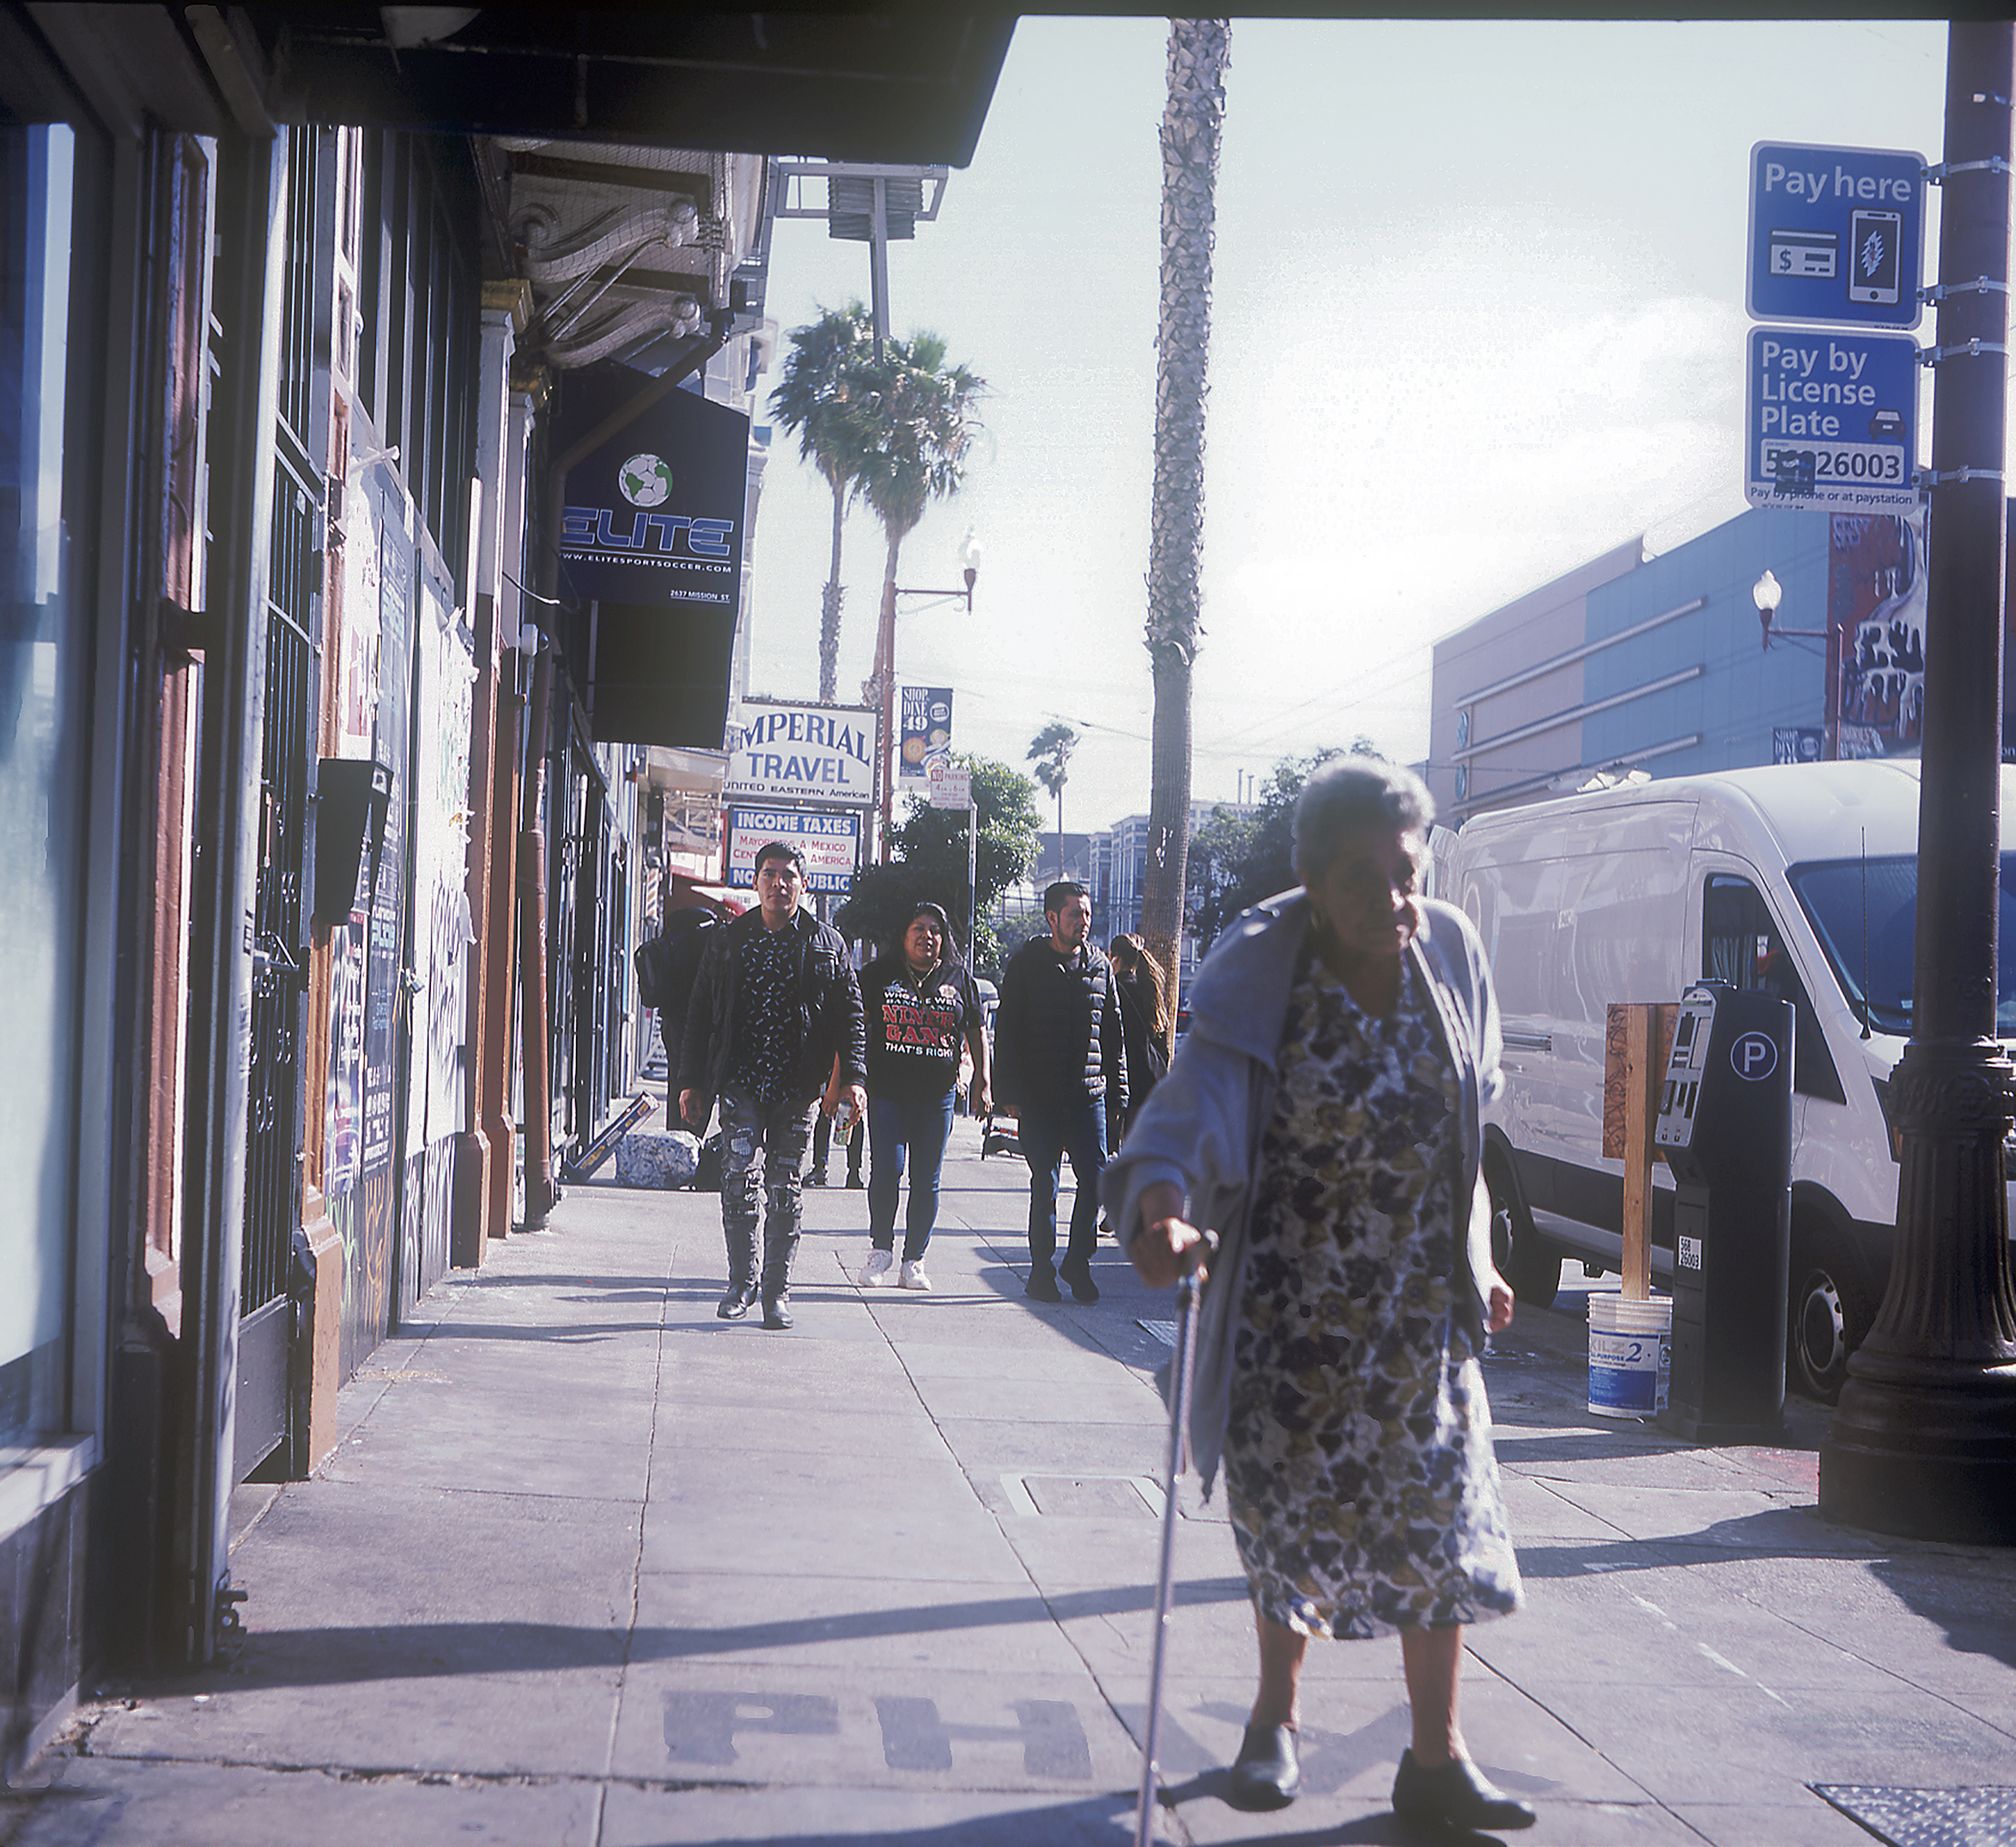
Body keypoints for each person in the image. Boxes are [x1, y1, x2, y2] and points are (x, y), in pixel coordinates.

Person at [1105, 757, 1532, 1833]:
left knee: (1441, 1532)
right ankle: (1274, 1722)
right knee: (1290, 1534)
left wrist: (1477, 1260)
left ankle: (1437, 1756)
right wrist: (1162, 1211)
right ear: (1310, 876)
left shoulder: (1451, 953)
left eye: (1407, 871)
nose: (1393, 900)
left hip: (1416, 1322)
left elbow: (1463, 1151)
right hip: (1293, 1316)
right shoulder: (1264, 971)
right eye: (1362, 877)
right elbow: (1185, 1112)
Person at [680, 841, 866, 1331]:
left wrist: (854, 1081)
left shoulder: (828, 943)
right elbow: (700, 1013)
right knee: (738, 1179)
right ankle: (742, 1281)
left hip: (797, 1089)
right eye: (769, 874)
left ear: (803, 884)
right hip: (740, 1083)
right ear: (756, 881)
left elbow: (852, 1017)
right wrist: (691, 1082)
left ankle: (776, 1292)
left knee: (786, 1190)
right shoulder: (728, 940)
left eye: (788, 875)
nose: (778, 883)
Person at [992, 880, 1127, 1305]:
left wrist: (1118, 1091)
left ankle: (1078, 1261)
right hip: (1040, 1096)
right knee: (1045, 1184)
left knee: (1097, 1180)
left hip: (1089, 1095)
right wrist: (1008, 1091)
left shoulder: (1101, 966)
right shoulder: (1026, 965)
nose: (1083, 922)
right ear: (1052, 918)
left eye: (1086, 914)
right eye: (1075, 914)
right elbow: (1007, 1031)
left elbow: (1113, 1034)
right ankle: (1041, 1270)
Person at [855, 901, 992, 1291]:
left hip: (938, 1097)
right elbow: (855, 1027)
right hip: (887, 1093)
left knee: (926, 1179)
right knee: (887, 1170)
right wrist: (848, 1080)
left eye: (935, 929)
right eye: (919, 927)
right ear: (903, 934)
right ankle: (880, 1251)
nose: (927, 936)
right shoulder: (878, 975)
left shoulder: (958, 977)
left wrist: (984, 1080)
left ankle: (914, 1260)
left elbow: (975, 1031)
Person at [1106, 932, 1170, 1136]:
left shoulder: (1113, 992)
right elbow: (1162, 1044)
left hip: (1124, 1085)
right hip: (1151, 1083)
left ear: (1114, 958)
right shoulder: (1151, 992)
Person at [805, 1063, 865, 1188]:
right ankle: (820, 1168)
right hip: (832, 1059)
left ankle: (854, 1171)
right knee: (826, 1109)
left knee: (853, 1112)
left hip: (853, 1060)